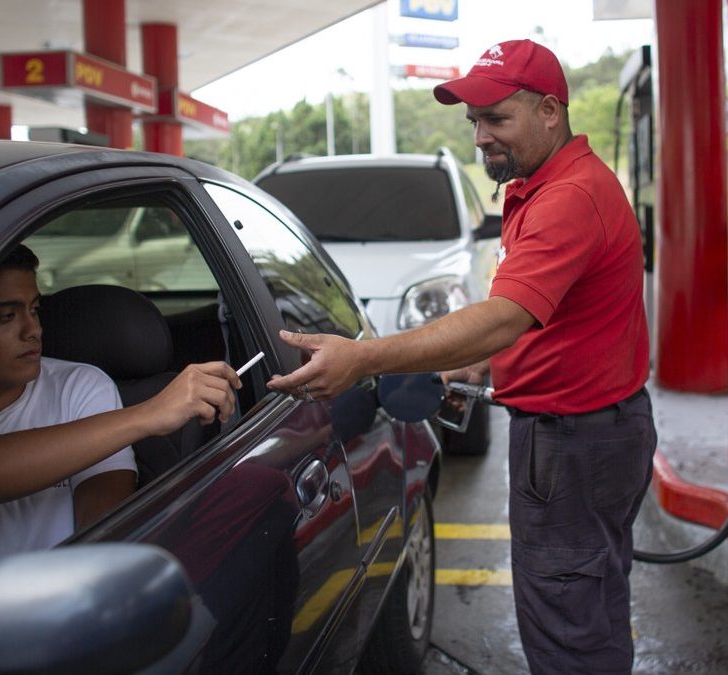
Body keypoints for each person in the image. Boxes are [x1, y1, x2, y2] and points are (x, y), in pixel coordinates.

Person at [267, 39, 657, 674]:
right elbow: (552, 318)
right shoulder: (546, 184)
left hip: (573, 446)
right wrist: (478, 364)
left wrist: (367, 359)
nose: (480, 137)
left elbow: (503, 315)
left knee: (566, 630)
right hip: (596, 433)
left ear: (551, 112)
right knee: (590, 606)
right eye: (474, 121)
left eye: (497, 119)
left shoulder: (568, 198)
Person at [0, 244, 241, 608]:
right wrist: (148, 414)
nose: (32, 329)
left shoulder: (81, 385)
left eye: (34, 310)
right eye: (6, 316)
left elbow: (103, 522)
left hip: (64, 614)